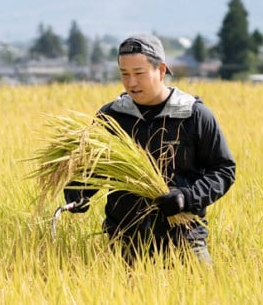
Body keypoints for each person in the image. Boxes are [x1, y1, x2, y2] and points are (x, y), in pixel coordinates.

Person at [64, 34, 236, 266]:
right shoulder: (112, 117)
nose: (131, 82)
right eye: (124, 74)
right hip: (126, 244)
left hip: (184, 241)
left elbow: (223, 171)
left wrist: (187, 197)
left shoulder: (193, 115)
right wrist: (79, 192)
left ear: (161, 70)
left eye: (139, 73)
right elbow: (96, 169)